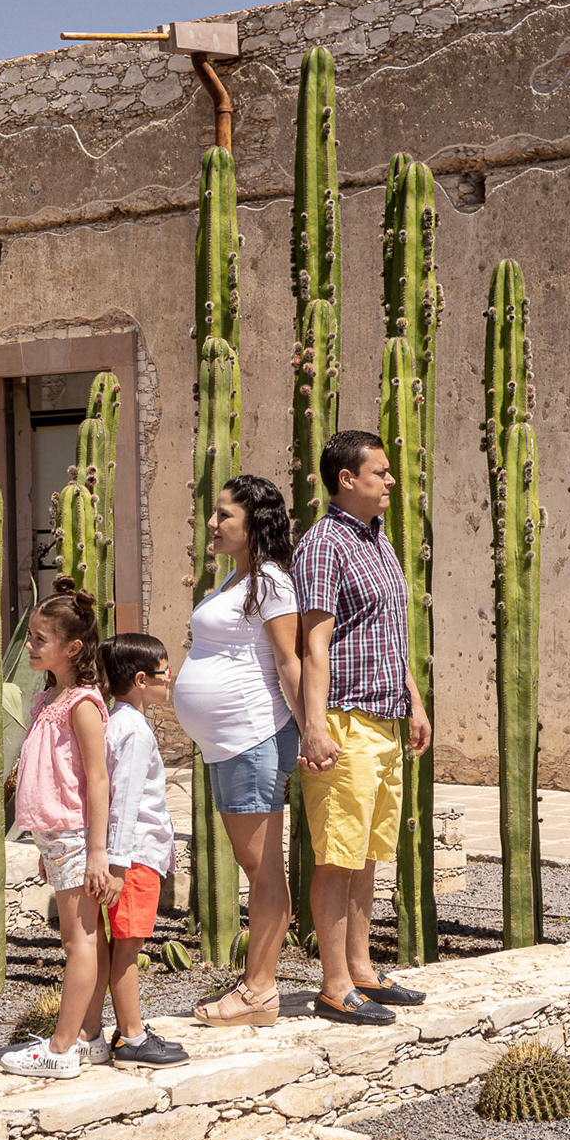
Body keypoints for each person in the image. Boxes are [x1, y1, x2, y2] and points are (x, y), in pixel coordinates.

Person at [293, 430, 431, 1025]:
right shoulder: (325, 543)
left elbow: (391, 635)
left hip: (385, 718)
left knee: (368, 853)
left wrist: (415, 701)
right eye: (380, 472)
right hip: (344, 720)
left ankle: (363, 972)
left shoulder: (378, 541)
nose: (391, 481)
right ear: (346, 479)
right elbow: (313, 644)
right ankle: (332, 985)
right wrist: (315, 726)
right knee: (336, 857)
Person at [170, 474, 303, 1027]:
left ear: (255, 522)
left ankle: (259, 991)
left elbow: (290, 661)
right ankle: (258, 987)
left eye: (224, 514)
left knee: (263, 870)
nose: (212, 522)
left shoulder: (270, 580)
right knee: (260, 866)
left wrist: (312, 731)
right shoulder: (236, 579)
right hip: (228, 744)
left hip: (254, 738)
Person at [2, 577, 118, 1079]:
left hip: (74, 836)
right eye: (28, 636)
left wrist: (97, 853)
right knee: (84, 939)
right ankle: (87, 1040)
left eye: (38, 639)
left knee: (79, 943)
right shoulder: (50, 698)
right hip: (59, 838)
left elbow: (97, 780)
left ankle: (61, 1047)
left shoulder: (83, 705)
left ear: (72, 647)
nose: (29, 645)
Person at [85, 633, 188, 1067]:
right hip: (134, 858)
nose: (172, 678)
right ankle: (131, 1036)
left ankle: (114, 1032)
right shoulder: (135, 733)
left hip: (129, 856)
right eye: (166, 671)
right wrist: (119, 864)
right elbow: (124, 801)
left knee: (117, 946)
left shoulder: (119, 723)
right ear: (142, 679)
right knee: (129, 947)